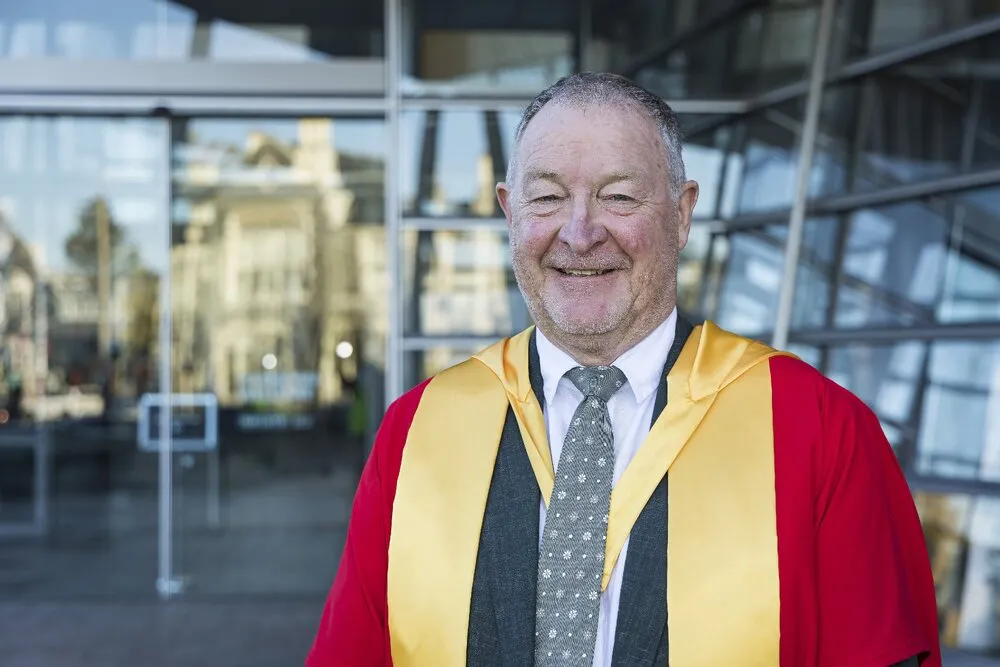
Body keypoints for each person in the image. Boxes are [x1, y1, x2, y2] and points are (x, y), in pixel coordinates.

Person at [306, 73, 942, 667]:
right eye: (548, 197)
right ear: (509, 212)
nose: (580, 233)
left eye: (619, 196)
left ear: (683, 212)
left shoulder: (818, 430)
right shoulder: (418, 432)